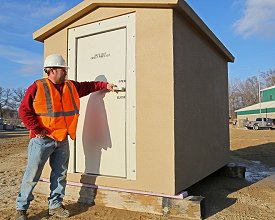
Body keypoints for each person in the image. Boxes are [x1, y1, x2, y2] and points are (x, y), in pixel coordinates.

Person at [15, 54, 116, 220]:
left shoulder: (71, 86)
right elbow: (24, 110)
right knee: (32, 175)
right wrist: (37, 129)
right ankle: (21, 208)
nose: (66, 72)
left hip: (62, 139)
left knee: (60, 175)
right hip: (42, 140)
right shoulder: (37, 86)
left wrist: (105, 85)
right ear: (52, 71)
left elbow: (89, 86)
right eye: (63, 69)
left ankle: (55, 205)